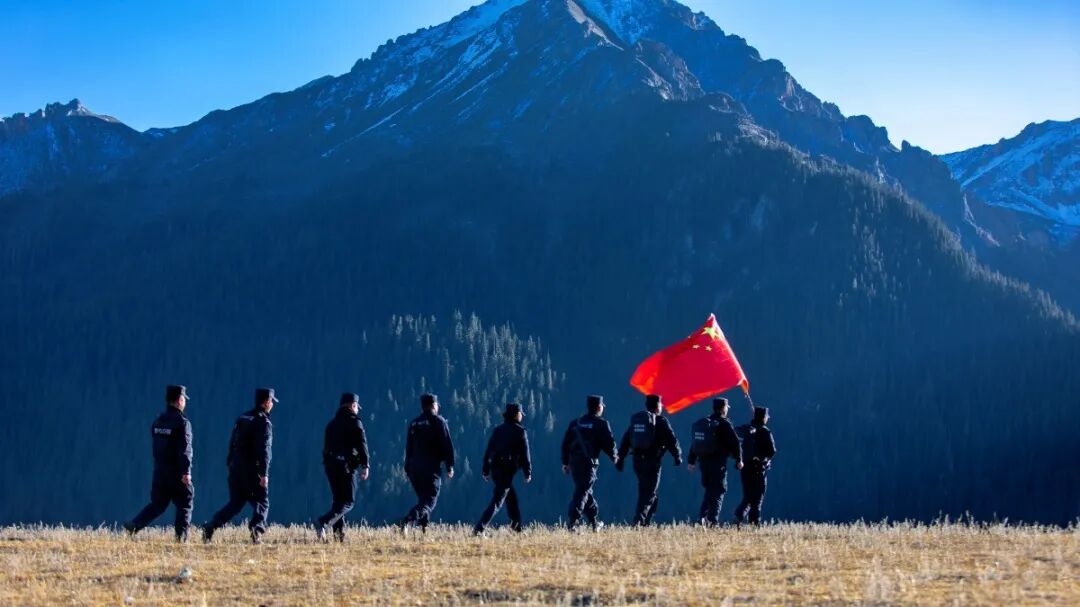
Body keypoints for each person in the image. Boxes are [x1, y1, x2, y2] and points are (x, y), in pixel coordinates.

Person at [203, 387, 277, 544]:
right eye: (271, 401)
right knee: (262, 501)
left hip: (236, 468)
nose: (272, 404)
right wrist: (264, 473)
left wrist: (230, 462)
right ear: (266, 402)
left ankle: (211, 526)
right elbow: (264, 449)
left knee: (235, 503)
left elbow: (233, 442)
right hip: (253, 470)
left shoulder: (243, 418)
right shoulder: (264, 422)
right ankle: (256, 532)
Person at [124, 385, 194, 542]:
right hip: (176, 472)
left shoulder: (158, 421)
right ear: (179, 400)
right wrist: (186, 472)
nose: (185, 402)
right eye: (184, 399)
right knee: (185, 501)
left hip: (160, 471)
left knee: (158, 504)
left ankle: (135, 524)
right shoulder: (182, 423)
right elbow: (185, 449)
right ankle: (181, 539)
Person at [616, 394, 681, 526]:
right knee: (649, 493)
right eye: (661, 405)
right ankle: (638, 522)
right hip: (652, 462)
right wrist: (677, 456)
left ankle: (646, 522)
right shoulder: (661, 421)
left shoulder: (638, 421)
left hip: (637, 461)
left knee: (647, 491)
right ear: (658, 407)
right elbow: (671, 440)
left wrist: (620, 458)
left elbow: (626, 440)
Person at [315, 392, 370, 542]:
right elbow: (362, 444)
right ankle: (324, 522)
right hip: (345, 466)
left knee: (338, 500)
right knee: (348, 501)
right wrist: (365, 464)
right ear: (353, 405)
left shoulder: (331, 424)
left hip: (330, 466)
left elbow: (325, 448)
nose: (357, 410)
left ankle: (339, 536)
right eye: (357, 407)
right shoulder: (355, 422)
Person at [397, 393, 455, 533]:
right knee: (429, 501)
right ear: (434, 405)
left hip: (414, 469)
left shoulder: (414, 423)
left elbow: (408, 448)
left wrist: (407, 467)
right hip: (430, 468)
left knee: (423, 500)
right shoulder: (439, 421)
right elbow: (447, 445)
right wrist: (450, 465)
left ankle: (424, 529)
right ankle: (408, 520)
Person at [473, 403, 532, 535]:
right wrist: (527, 472)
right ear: (516, 415)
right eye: (520, 414)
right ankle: (479, 529)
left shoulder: (498, 430)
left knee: (511, 499)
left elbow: (489, 451)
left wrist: (486, 469)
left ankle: (516, 529)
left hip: (496, 469)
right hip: (507, 470)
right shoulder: (520, 431)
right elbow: (525, 454)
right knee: (498, 501)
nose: (522, 416)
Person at [561, 394, 618, 531]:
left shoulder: (575, 423)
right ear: (599, 407)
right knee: (582, 492)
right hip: (588, 464)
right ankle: (572, 522)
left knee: (585, 490)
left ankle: (594, 522)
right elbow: (609, 444)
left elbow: (565, 444)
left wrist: (565, 463)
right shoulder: (601, 424)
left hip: (574, 463)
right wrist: (616, 458)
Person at [687, 397, 743, 526]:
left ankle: (701, 518)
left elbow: (695, 444)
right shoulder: (724, 423)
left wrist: (691, 461)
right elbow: (735, 442)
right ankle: (712, 521)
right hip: (718, 463)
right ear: (723, 408)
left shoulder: (705, 423)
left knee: (709, 491)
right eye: (726, 408)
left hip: (703, 463)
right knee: (718, 491)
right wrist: (739, 459)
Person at [734, 406, 777, 526]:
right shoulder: (765, 431)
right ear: (763, 418)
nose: (767, 418)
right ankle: (754, 523)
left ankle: (738, 517)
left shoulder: (745, 430)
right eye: (767, 416)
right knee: (757, 498)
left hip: (745, 468)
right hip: (759, 469)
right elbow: (772, 451)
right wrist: (763, 457)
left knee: (748, 496)